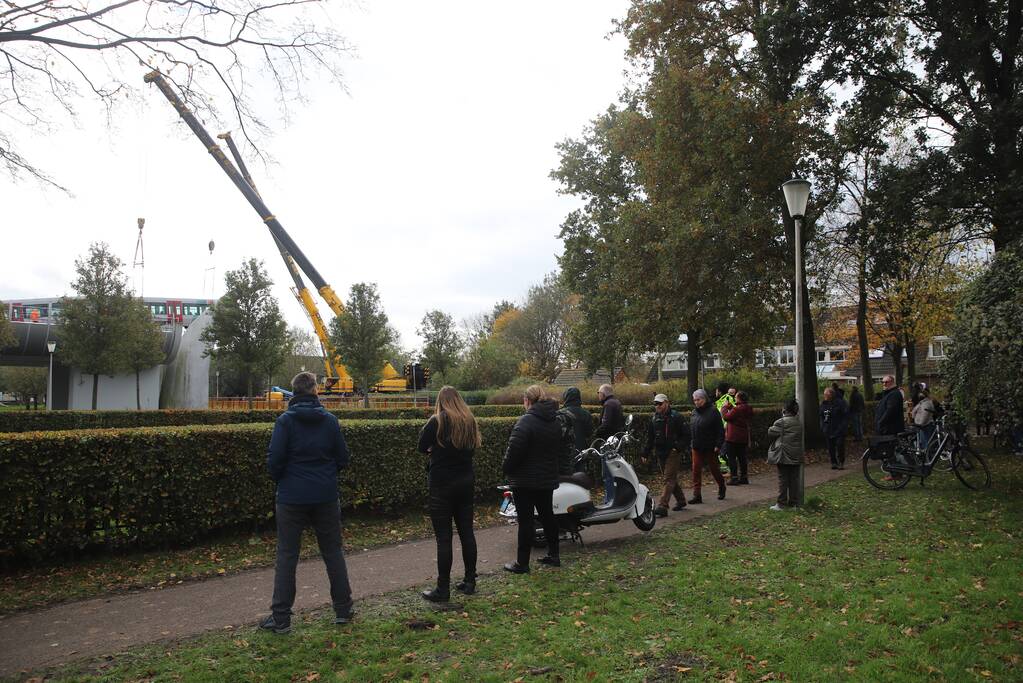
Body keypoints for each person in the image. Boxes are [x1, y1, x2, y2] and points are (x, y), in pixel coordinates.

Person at [260, 372, 354, 635]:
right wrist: (326, 475)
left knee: (287, 556)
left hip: (291, 496)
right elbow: (342, 457)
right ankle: (343, 609)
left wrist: (284, 480)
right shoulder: (330, 421)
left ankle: (281, 618)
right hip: (324, 494)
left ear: (293, 392)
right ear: (315, 390)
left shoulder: (285, 421)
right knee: (333, 552)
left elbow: (274, 460)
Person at [416, 386, 480, 602]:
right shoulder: (469, 420)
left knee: (444, 538)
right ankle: (470, 581)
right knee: (467, 533)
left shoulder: (438, 421)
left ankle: (443, 589)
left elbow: (421, 446)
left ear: (441, 401)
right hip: (465, 481)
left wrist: (434, 449)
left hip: (442, 484)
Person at [502, 385, 568, 573]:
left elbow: (513, 451)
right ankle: (554, 555)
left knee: (526, 521)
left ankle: (522, 563)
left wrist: (505, 468)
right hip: (546, 478)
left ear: (527, 401)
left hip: (524, 480)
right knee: (548, 516)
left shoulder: (525, 422)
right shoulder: (555, 421)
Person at [642, 393, 690, 517]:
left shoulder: (677, 417)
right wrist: (645, 453)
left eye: (660, 403)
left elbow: (686, 435)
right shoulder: (654, 419)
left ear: (667, 403)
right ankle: (681, 501)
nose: (657, 406)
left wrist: (677, 448)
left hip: (673, 453)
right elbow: (650, 438)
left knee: (668, 479)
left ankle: (663, 506)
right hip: (660, 453)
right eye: (655, 404)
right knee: (671, 478)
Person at [689, 388, 726, 503]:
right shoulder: (694, 412)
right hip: (697, 446)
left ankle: (721, 485)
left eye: (698, 399)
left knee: (714, 469)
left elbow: (720, 430)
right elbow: (692, 428)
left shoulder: (713, 411)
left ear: (704, 399)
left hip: (710, 446)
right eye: (694, 400)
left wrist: (718, 444)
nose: (696, 402)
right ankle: (697, 495)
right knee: (696, 470)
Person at [767, 399, 803, 510]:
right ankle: (794, 503)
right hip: (796, 454)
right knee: (794, 480)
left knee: (783, 479)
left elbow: (770, 432)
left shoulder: (781, 422)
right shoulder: (798, 422)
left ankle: (781, 503)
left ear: (785, 410)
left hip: (784, 455)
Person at [594, 384, 624, 504]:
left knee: (607, 473)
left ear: (604, 393)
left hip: (609, 443)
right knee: (617, 472)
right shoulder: (616, 402)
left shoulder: (608, 405)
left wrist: (596, 433)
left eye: (598, 393)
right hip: (616, 442)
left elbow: (605, 425)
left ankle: (609, 499)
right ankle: (618, 498)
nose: (598, 395)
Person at [721, 391, 753, 485]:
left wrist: (724, 407)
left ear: (739, 398)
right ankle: (744, 477)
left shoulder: (737, 409)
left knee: (731, 458)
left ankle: (734, 477)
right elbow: (738, 416)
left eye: (736, 397)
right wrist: (732, 408)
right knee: (742, 457)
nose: (734, 398)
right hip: (743, 437)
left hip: (733, 437)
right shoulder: (748, 408)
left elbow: (726, 417)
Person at [819, 387, 849, 469]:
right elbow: (821, 415)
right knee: (830, 447)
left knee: (840, 445)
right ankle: (833, 462)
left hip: (839, 429)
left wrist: (842, 427)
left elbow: (845, 416)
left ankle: (841, 462)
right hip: (828, 429)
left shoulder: (840, 403)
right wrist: (823, 426)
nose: (825, 396)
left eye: (826, 394)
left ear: (831, 394)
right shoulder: (823, 404)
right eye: (824, 394)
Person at [561, 386, 593, 452]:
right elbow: (590, 433)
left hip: (565, 450)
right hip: (582, 450)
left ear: (566, 397)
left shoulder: (560, 413)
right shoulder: (586, 414)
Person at [714, 383, 736, 475]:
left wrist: (726, 425)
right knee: (721, 450)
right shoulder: (720, 400)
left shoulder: (728, 399)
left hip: (727, 430)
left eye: (716, 390)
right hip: (721, 430)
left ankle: (731, 470)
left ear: (719, 391)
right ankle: (725, 470)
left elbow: (734, 411)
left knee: (725, 451)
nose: (715, 392)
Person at [911, 387, 936, 453]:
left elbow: (925, 415)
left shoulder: (926, 404)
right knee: (923, 442)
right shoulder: (922, 403)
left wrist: (920, 424)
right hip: (922, 425)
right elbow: (913, 412)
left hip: (925, 426)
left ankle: (927, 457)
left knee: (926, 443)